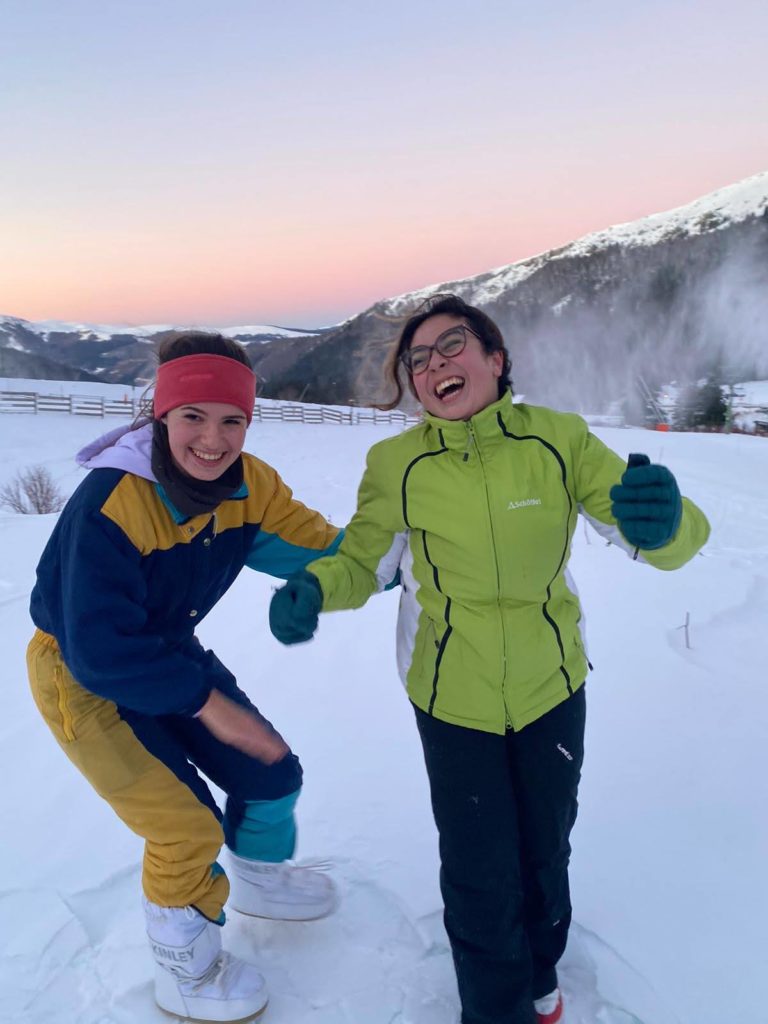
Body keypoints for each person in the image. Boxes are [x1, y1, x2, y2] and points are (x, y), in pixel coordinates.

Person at [268, 294, 710, 1024]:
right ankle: (494, 1009)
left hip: (552, 685)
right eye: (418, 360)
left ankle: (540, 971)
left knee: (544, 848)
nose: (435, 364)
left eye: (452, 346)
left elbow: (651, 535)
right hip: (451, 698)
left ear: (496, 360)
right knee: (479, 870)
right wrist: (317, 588)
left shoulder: (559, 440)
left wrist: (665, 524)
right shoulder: (397, 464)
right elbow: (364, 562)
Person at [27, 331, 343, 1023]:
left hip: (167, 649)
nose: (213, 438)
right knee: (184, 829)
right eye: (193, 416)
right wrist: (206, 703)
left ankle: (258, 877)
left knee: (272, 773)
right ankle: (186, 969)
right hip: (80, 673)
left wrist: (404, 556)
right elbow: (99, 651)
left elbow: (321, 552)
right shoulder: (112, 505)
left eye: (232, 419)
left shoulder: (248, 486)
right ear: (161, 415)